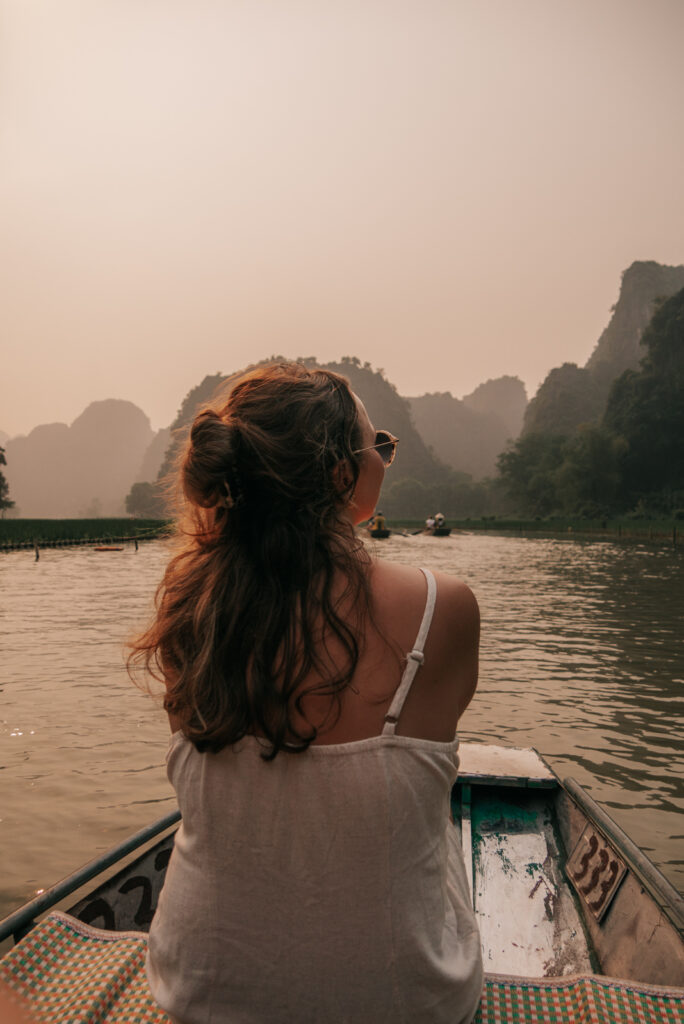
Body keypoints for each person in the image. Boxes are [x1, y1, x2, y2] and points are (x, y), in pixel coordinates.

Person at [129, 361, 482, 1024]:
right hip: (404, 1005)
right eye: (380, 444)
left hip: (201, 997)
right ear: (345, 474)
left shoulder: (188, 614)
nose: (387, 457)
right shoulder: (445, 609)